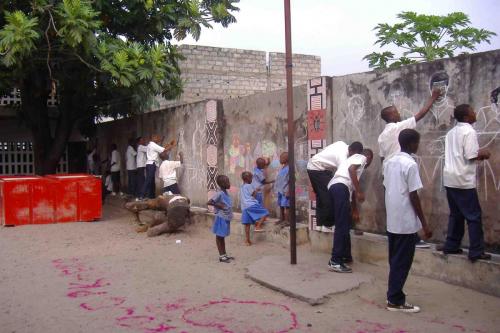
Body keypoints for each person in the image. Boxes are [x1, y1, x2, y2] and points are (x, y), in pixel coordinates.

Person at [378, 88, 441, 248]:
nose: (398, 113)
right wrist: (432, 98)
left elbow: (381, 157)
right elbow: (420, 115)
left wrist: (385, 174)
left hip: (389, 171)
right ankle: (413, 238)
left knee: (394, 206)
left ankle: (398, 235)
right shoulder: (398, 127)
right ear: (391, 116)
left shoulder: (382, 136)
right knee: (409, 201)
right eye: (396, 112)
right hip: (400, 168)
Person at [384, 129, 432, 313]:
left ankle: (393, 294)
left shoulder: (390, 162)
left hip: (393, 218)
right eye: (417, 142)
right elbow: (414, 195)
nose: (418, 146)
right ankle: (395, 299)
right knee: (402, 261)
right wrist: (424, 224)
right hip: (404, 221)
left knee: (395, 259)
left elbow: (386, 185)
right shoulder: (410, 164)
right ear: (412, 143)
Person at [440, 104, 491, 262]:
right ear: (467, 117)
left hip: (450, 179)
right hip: (463, 181)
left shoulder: (451, 133)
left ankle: (451, 245)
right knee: (473, 216)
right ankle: (476, 251)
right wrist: (484, 153)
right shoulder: (469, 131)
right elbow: (470, 155)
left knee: (456, 215)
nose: (476, 113)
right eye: (473, 112)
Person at [327, 146, 372, 273]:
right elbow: (351, 170)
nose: (368, 164)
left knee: (344, 224)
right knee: (342, 225)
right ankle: (335, 261)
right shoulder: (362, 157)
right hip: (340, 188)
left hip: (336, 188)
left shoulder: (350, 161)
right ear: (369, 157)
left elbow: (350, 191)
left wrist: (354, 209)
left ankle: (345, 256)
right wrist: (360, 192)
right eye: (371, 161)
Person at [307, 141, 361, 228]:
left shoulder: (342, 143)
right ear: (350, 150)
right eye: (353, 155)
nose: (352, 158)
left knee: (322, 195)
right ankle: (328, 222)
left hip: (321, 167)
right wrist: (354, 204)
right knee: (328, 195)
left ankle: (322, 221)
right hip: (316, 168)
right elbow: (346, 178)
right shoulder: (342, 158)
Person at [207, 175, 234, 263]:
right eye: (227, 182)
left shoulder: (225, 192)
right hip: (221, 218)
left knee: (222, 237)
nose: (229, 183)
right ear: (222, 184)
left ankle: (224, 255)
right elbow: (209, 202)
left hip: (225, 218)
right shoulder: (220, 193)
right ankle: (222, 257)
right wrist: (218, 205)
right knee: (219, 237)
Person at [139, 135, 174, 200]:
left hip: (149, 164)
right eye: (156, 137)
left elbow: (162, 149)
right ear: (152, 138)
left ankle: (151, 196)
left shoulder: (150, 145)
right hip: (151, 164)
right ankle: (142, 195)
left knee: (151, 181)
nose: (158, 139)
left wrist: (168, 145)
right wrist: (171, 145)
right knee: (148, 180)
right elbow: (164, 150)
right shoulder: (153, 145)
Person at [240, 171, 269, 245]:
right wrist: (256, 191)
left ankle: (247, 240)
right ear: (247, 179)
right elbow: (253, 195)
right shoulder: (249, 186)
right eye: (251, 178)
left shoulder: (242, 186)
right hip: (251, 204)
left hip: (244, 207)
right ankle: (258, 226)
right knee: (265, 212)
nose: (252, 180)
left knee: (247, 224)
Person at [274, 152, 290, 225]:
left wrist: (288, 190)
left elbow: (291, 180)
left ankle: (287, 221)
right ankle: (282, 219)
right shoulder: (283, 167)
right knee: (281, 205)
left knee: (286, 206)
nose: (280, 160)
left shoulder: (289, 168)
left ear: (286, 159)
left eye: (281, 158)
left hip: (285, 190)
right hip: (280, 190)